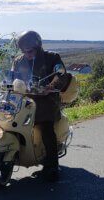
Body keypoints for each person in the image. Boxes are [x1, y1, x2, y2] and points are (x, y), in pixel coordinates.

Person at [13, 30, 66, 182]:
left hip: (46, 101)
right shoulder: (19, 61)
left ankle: (53, 166)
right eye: (24, 51)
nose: (27, 54)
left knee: (46, 128)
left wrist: (51, 86)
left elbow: (61, 74)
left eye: (30, 51)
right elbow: (12, 77)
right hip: (24, 101)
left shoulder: (52, 57)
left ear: (38, 46)